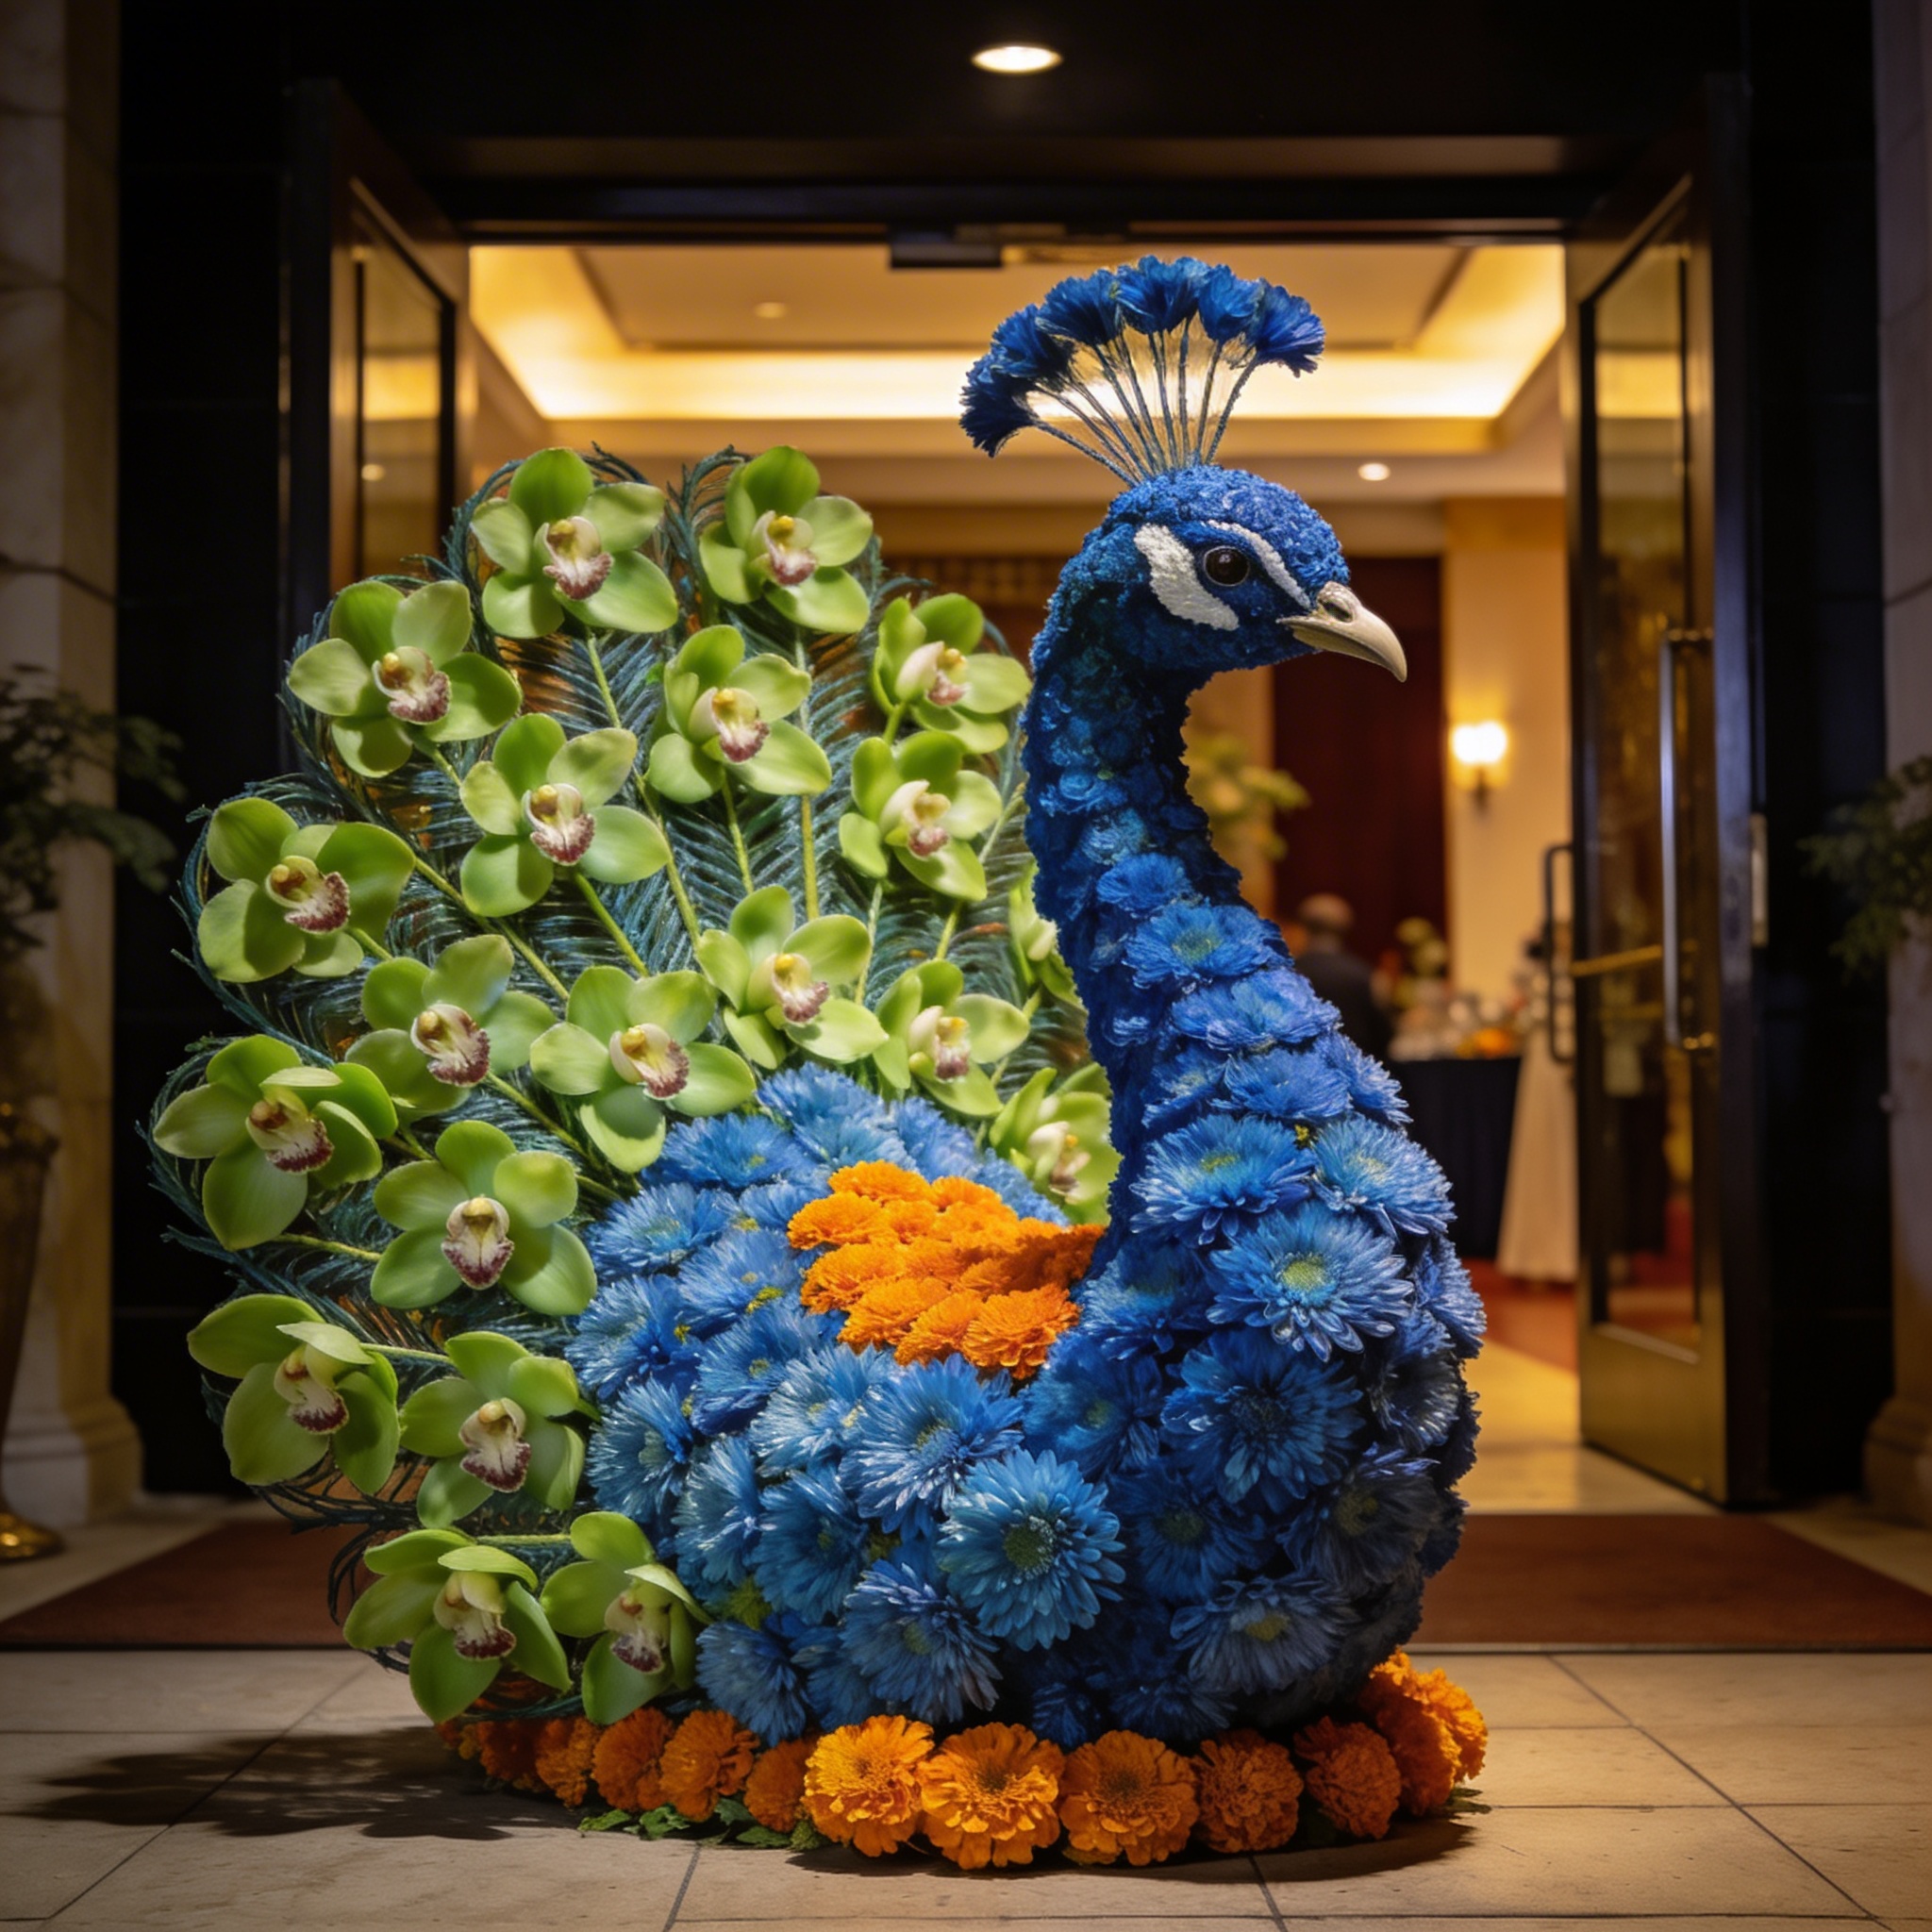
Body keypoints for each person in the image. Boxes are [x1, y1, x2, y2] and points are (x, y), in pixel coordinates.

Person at [1293, 892, 1393, 1061]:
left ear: (1303, 927)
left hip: (1302, 1076)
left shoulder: (1287, 972)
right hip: (1357, 1072)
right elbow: (1384, 1034)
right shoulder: (1366, 974)